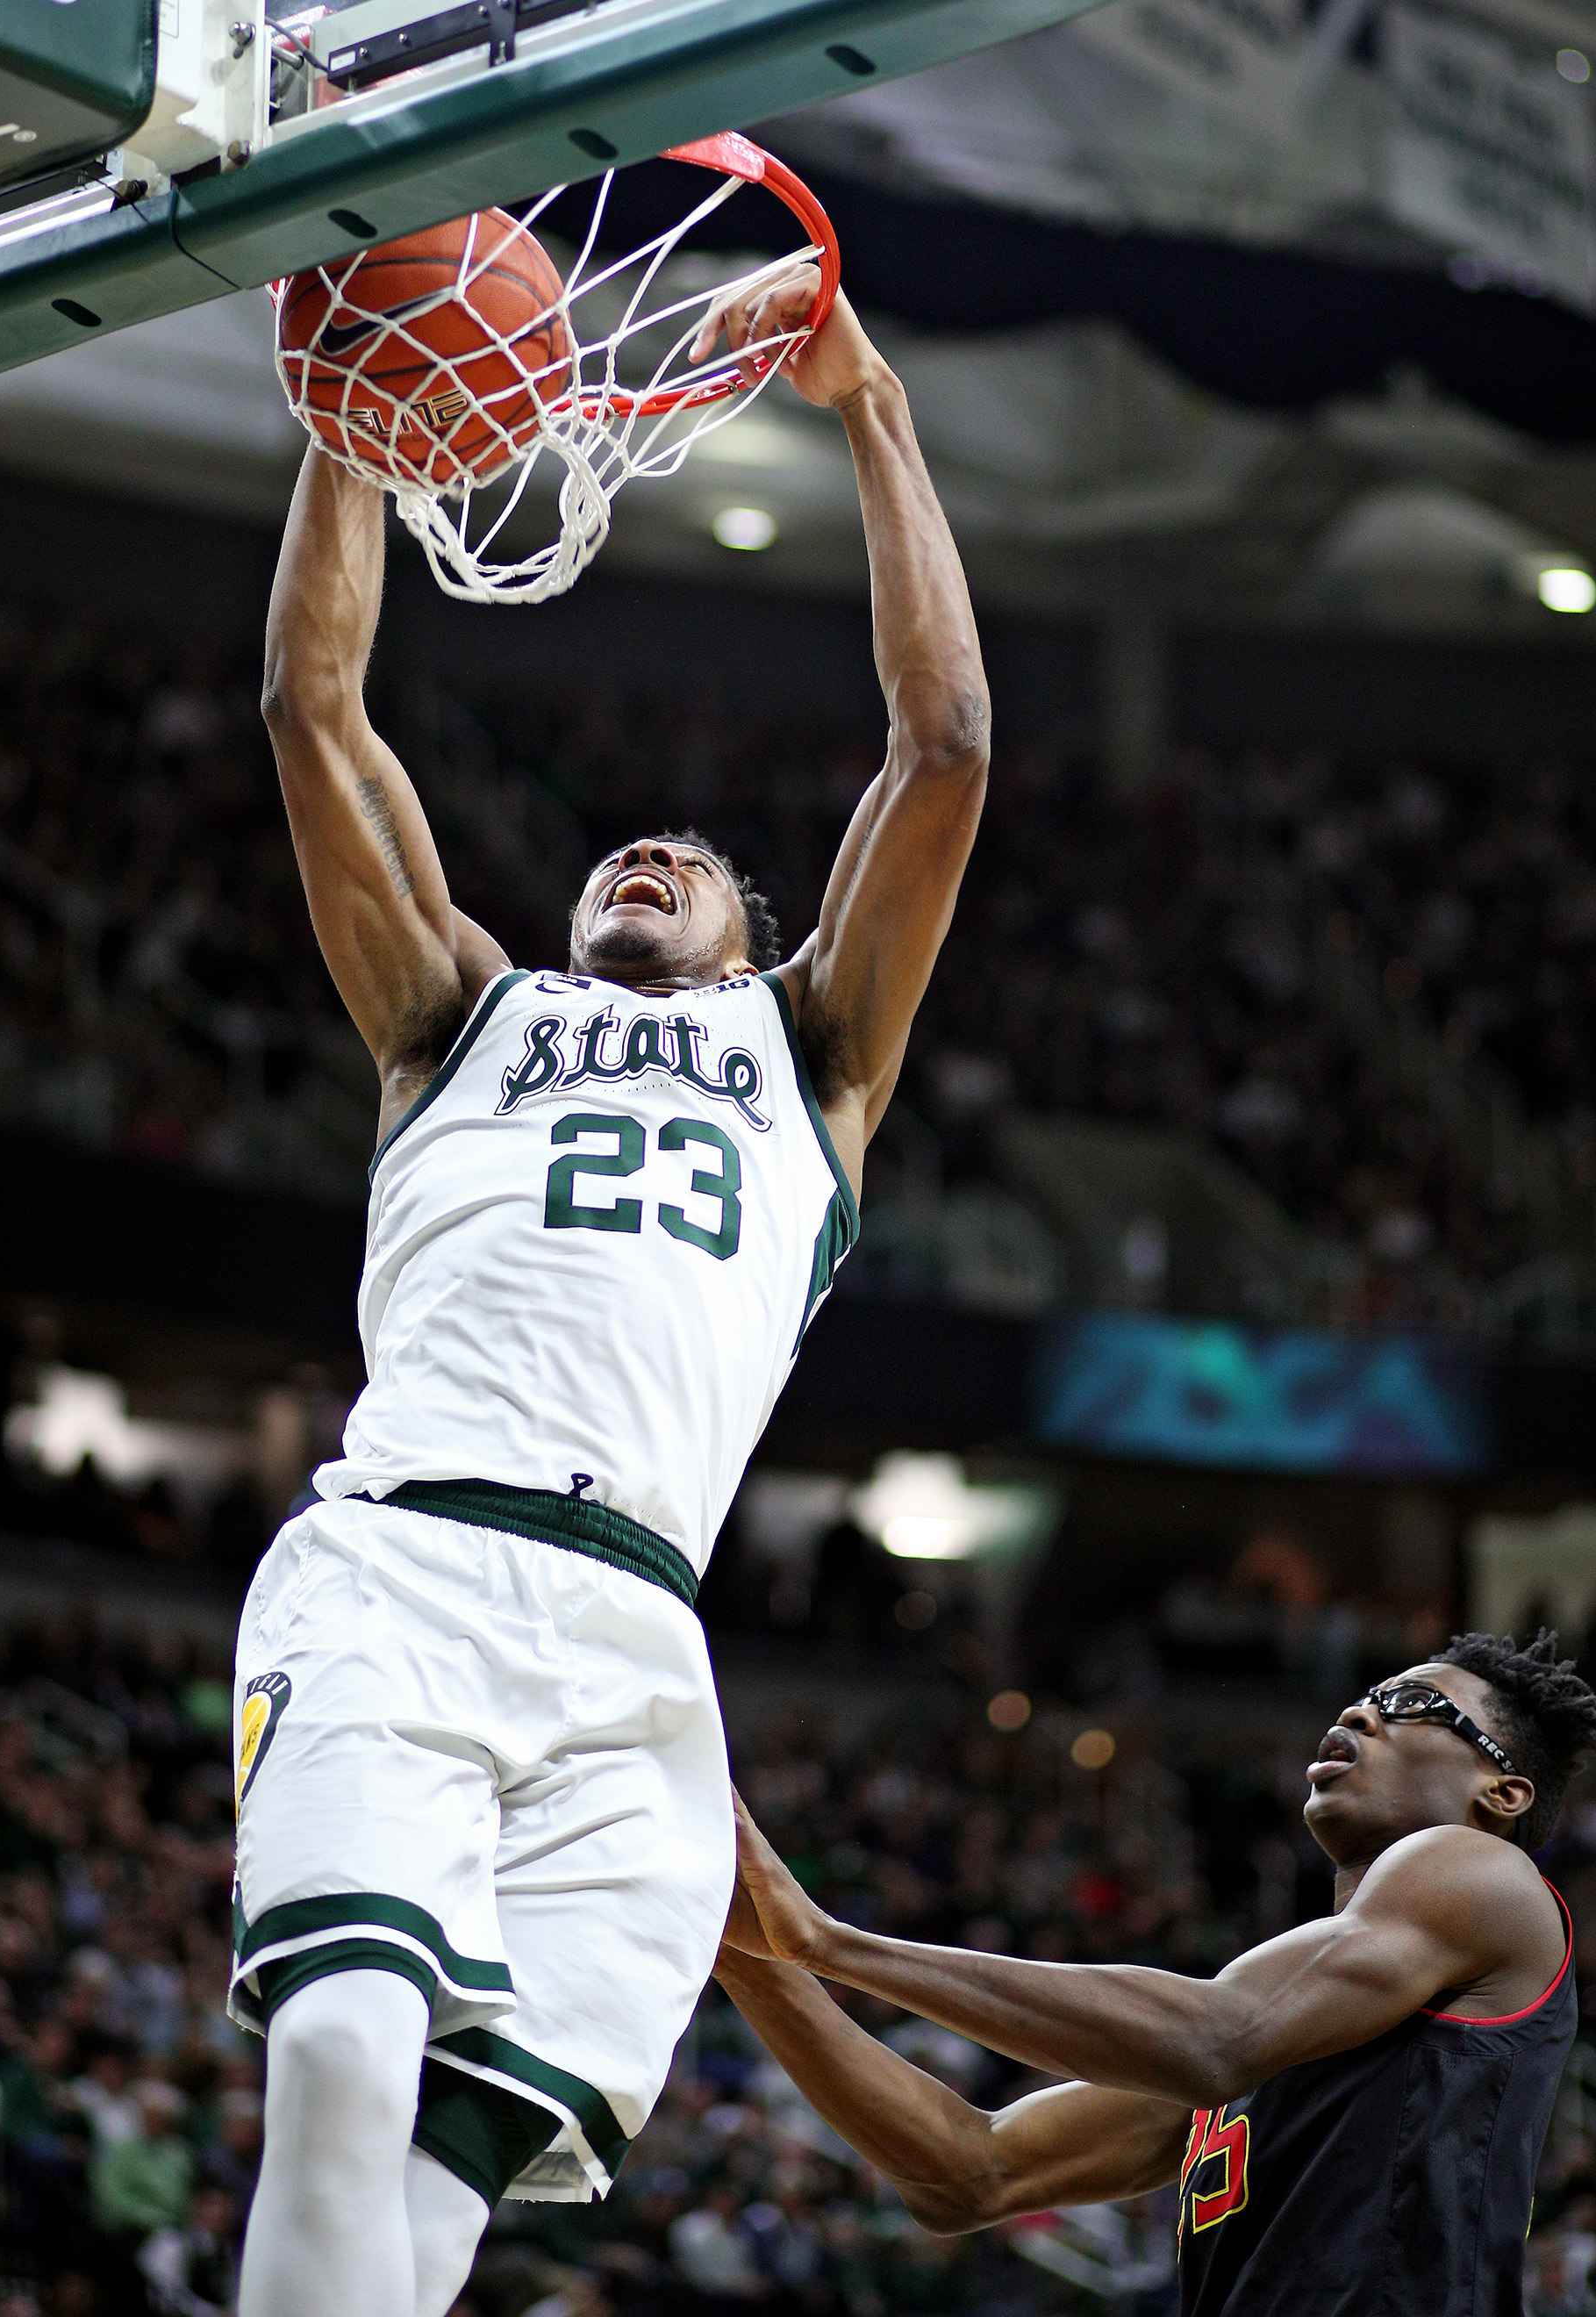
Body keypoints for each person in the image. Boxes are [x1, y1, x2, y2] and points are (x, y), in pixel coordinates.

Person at [236, 256, 990, 2317]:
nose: (639, 861)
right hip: (405, 1570)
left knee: (442, 2194)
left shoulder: (814, 1058)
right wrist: (357, 416)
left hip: (642, 1653)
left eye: (687, 862)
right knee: (339, 2054)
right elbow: (313, 709)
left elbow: (941, 747)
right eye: (613, 859)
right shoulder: (455, 1013)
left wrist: (872, 405)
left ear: (752, 932)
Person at [716, 1632, 1596, 2317]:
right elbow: (968, 2172)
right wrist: (745, 1950)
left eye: (1417, 1705)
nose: (1359, 1713)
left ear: (1501, 1790)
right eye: (1365, 1696)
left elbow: (1217, 2036)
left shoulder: (1483, 1871)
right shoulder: (1296, 2010)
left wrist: (826, 1942)